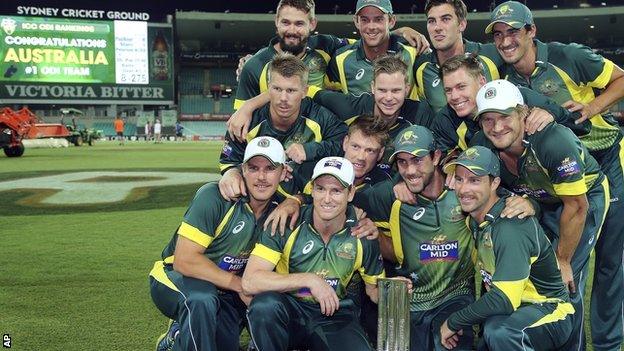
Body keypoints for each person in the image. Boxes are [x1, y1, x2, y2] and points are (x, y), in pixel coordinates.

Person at [486, 3, 624, 348]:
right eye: (498, 34)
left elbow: (622, 79)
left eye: (513, 31)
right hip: (555, 175)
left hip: (603, 161)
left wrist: (591, 108)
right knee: (565, 267)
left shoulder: (567, 56)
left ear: (532, 31)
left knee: (609, 261)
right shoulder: (506, 81)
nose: (505, 41)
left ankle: (607, 344)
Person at [471, 80, 610, 351]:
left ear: (523, 113)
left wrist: (564, 258)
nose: (496, 127)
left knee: (565, 281)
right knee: (534, 275)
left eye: (504, 116)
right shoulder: (484, 146)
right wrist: (533, 206)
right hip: (541, 198)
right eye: (488, 119)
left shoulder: (551, 140)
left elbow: (576, 205)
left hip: (582, 198)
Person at [149, 136, 286, 351]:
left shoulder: (281, 211)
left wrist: (296, 201)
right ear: (242, 170)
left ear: (283, 172)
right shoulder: (214, 196)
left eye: (270, 168)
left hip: (225, 290)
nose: (261, 176)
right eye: (253, 168)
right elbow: (184, 261)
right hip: (176, 277)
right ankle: (185, 324)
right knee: (202, 299)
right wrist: (239, 284)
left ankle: (177, 337)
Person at [242, 156, 388, 350]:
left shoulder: (363, 234)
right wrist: (309, 280)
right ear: (311, 189)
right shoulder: (286, 223)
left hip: (335, 315)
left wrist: (394, 290)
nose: (327, 199)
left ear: (351, 192)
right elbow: (250, 281)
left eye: (336, 190)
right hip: (290, 311)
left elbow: (374, 291)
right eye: (320, 189)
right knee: (264, 306)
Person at [351, 125, 476, 351]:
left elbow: (501, 199)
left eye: (417, 160)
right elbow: (336, 205)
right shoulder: (390, 194)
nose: (409, 171)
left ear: (436, 157)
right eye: (403, 162)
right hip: (403, 295)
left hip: (453, 294)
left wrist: (529, 203)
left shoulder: (462, 190)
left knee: (447, 345)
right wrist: (297, 201)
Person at [440, 146, 574, 350]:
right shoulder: (476, 218)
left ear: (494, 183)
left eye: (474, 180)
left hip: (548, 310)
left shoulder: (509, 225)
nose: (464, 189)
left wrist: (453, 322)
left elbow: (504, 299)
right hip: (514, 311)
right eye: (459, 179)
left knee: (500, 332)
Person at [229, 55, 435, 169]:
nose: (389, 98)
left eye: (396, 90)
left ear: (407, 90)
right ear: (372, 88)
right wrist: (249, 106)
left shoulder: (421, 113)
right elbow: (297, 89)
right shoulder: (348, 107)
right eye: (382, 90)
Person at [234, 0, 428, 111]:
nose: (292, 30)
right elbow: (240, 117)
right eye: (286, 22)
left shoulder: (325, 46)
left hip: (320, 139)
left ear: (312, 24)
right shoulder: (255, 66)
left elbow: (370, 39)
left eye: (299, 24)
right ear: (276, 22)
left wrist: (400, 32)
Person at [219, 52, 348, 200]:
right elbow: (229, 158)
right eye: (277, 89)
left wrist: (310, 150)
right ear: (268, 88)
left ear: (304, 91)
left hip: (304, 203)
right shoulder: (248, 121)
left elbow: (344, 145)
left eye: (291, 90)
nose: (283, 99)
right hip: (258, 202)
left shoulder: (320, 117)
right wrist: (231, 173)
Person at [433, 55, 589, 155]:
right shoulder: (445, 119)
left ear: (481, 81)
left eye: (461, 87)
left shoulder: (516, 96)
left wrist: (553, 114)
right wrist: (453, 162)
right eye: (448, 90)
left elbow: (582, 126)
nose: (454, 97)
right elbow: (440, 157)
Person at [413, 0, 503, 112]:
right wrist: (399, 32)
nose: (437, 27)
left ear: (462, 24)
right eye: (431, 21)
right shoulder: (420, 66)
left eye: (445, 19)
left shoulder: (492, 54)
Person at [326, 0, 424, 98]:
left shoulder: (414, 53)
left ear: (391, 21)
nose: (371, 26)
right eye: (364, 20)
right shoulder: (340, 59)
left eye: (378, 19)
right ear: (356, 22)